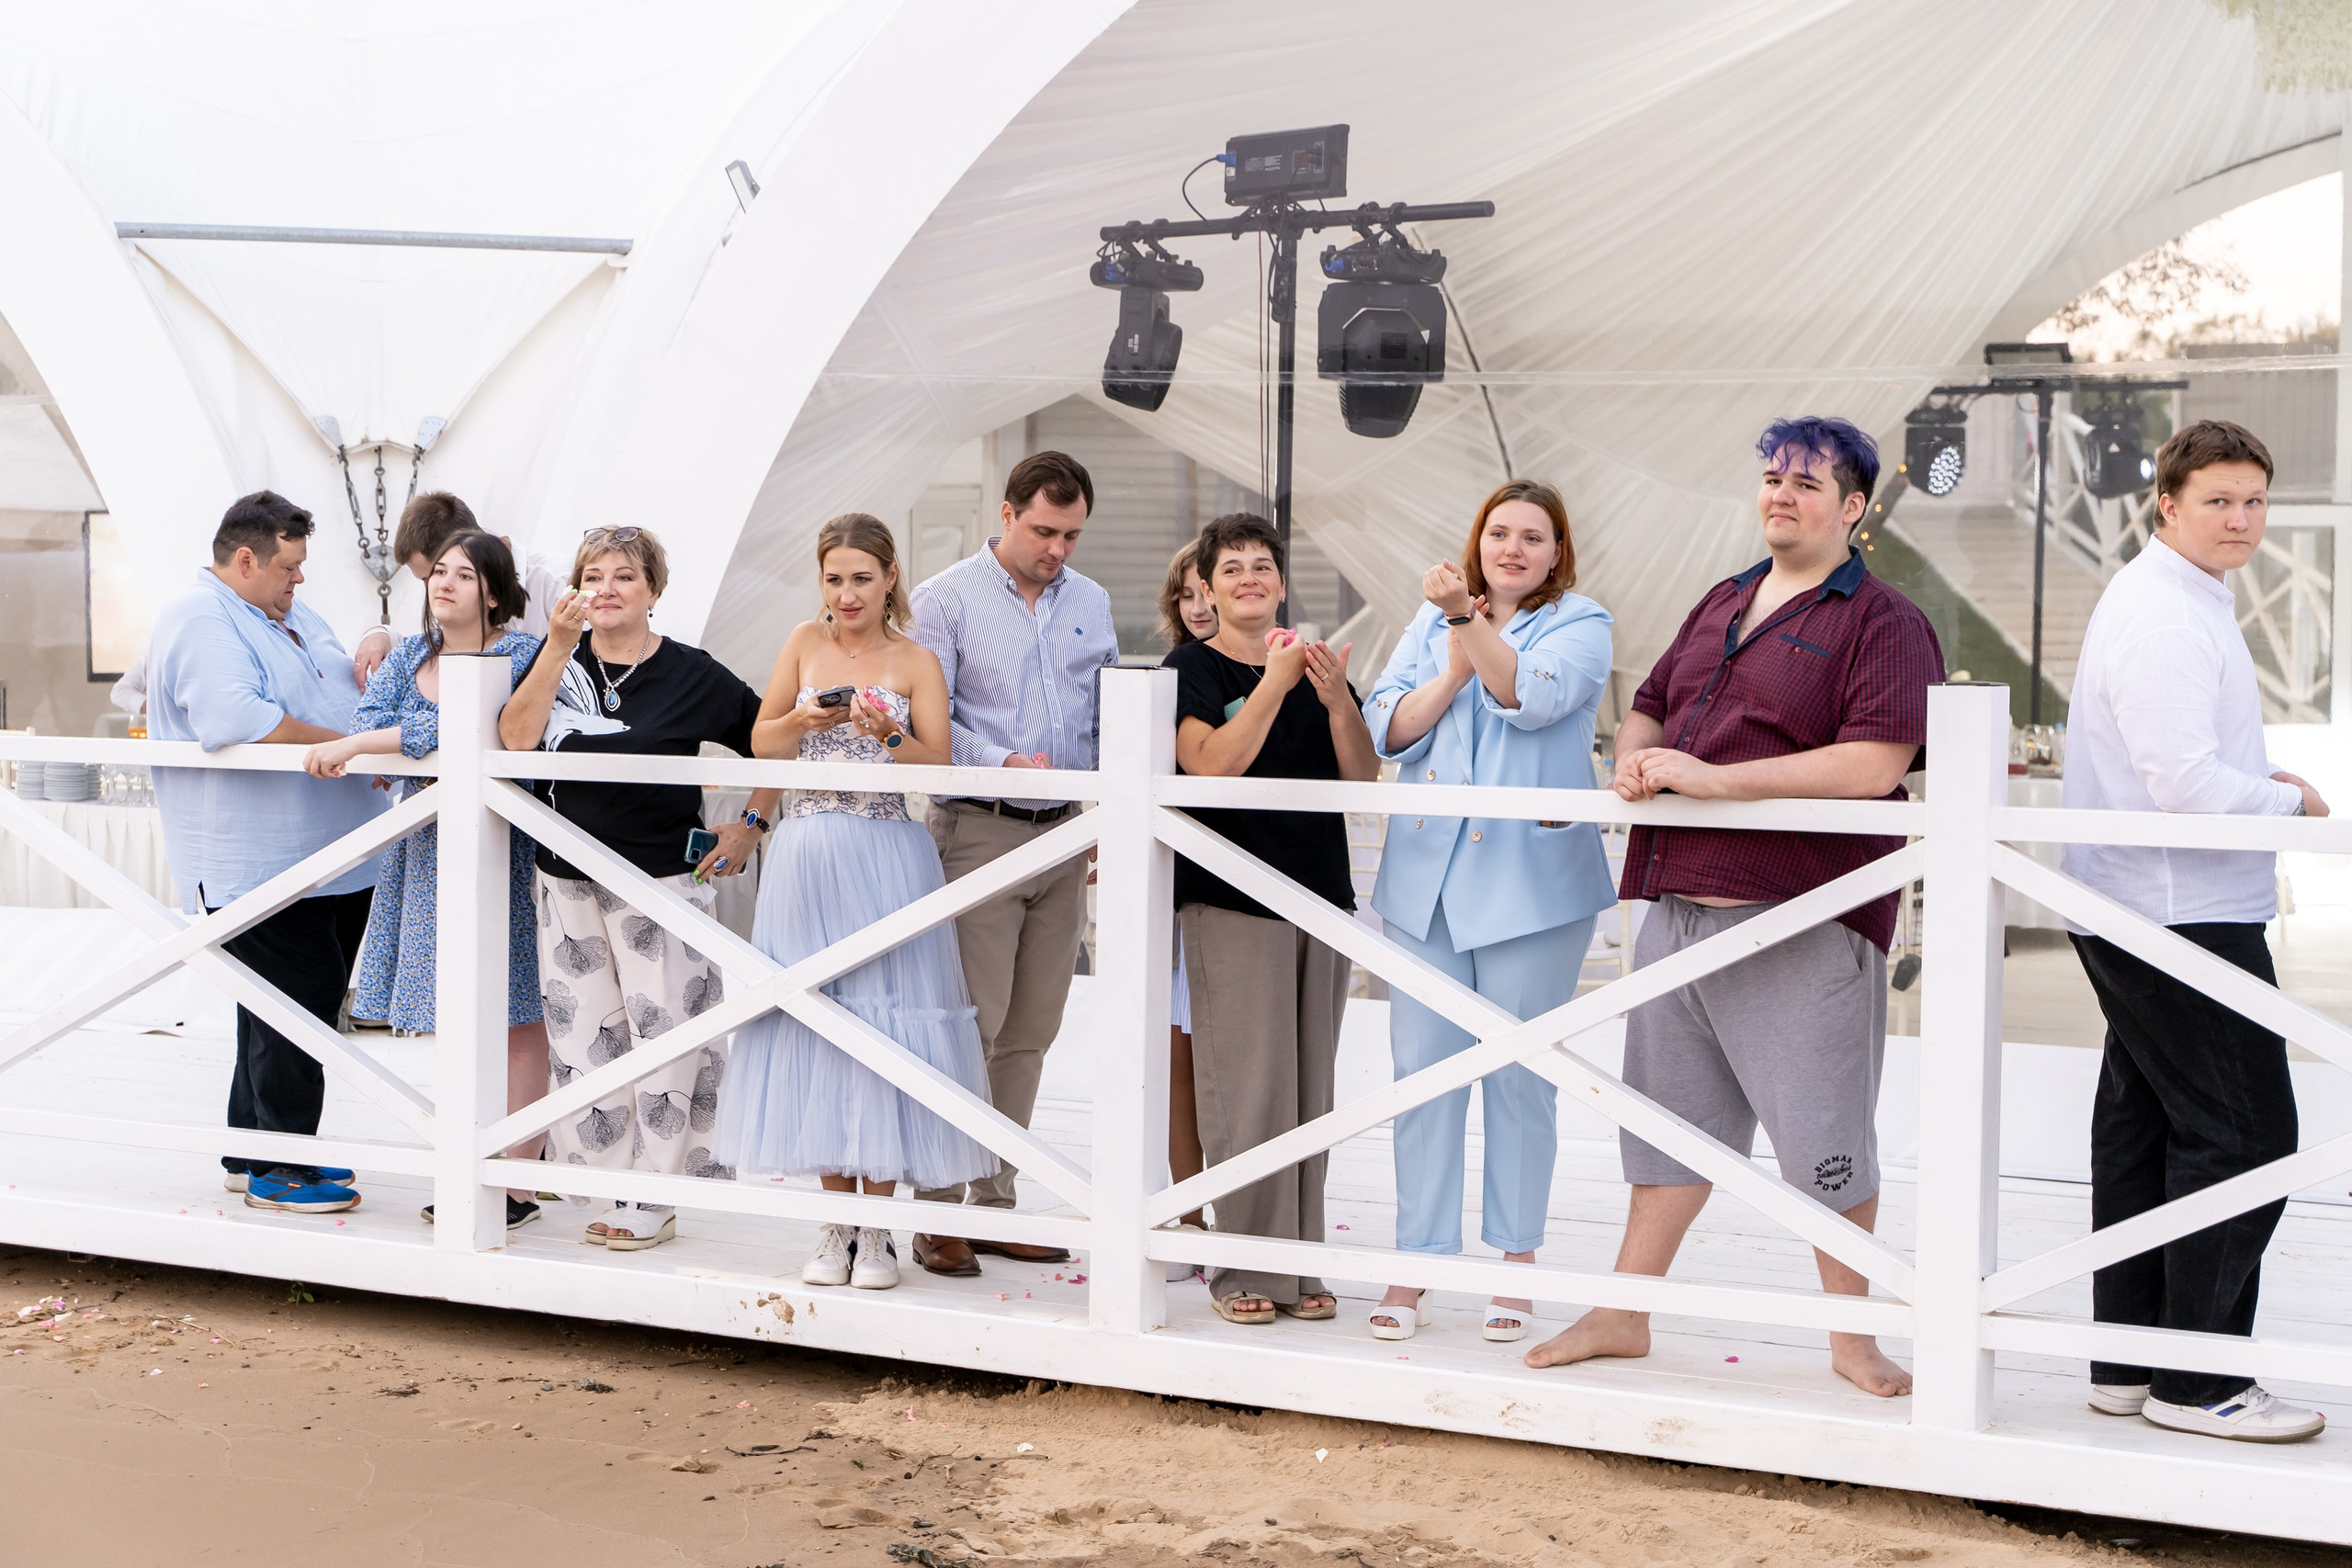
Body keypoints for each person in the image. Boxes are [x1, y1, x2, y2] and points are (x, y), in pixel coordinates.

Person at [1523, 417, 1942, 1397]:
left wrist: (1713, 783)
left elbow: (1874, 763)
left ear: (1853, 507)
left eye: (1806, 482)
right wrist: (1635, 754)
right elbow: (1656, 700)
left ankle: (1851, 1337)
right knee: (1668, 1125)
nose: (1780, 495)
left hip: (1799, 915)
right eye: (1770, 478)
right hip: (1678, 906)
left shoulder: (1886, 622)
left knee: (1823, 1135)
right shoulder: (1724, 597)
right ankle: (1623, 1313)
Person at [2061, 420, 2327, 1443]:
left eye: (2255, 500)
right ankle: (2199, 1383)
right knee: (2249, 1136)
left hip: (2144, 904)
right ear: (2166, 503)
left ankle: (2130, 1364)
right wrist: (2292, 808)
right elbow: (2181, 782)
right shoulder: (2166, 616)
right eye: (2218, 499)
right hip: (2179, 910)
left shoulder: (2169, 596)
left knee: (2146, 1135)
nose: (2241, 519)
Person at [714, 513, 998, 1291]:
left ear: (890, 578)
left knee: (885, 1022)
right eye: (834, 578)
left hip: (885, 853)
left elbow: (939, 770)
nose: (846, 593)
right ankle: (834, 1224)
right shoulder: (802, 645)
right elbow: (761, 744)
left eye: (861, 578)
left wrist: (887, 736)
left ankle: (879, 1229)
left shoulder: (917, 660)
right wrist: (801, 721)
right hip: (804, 854)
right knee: (815, 1024)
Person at [1362, 479, 1616, 1343]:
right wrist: (1453, 663)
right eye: (1499, 532)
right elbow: (1386, 725)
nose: (1513, 548)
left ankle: (1516, 1260)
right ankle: (1418, 1262)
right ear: (1478, 541)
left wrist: (1466, 635)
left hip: (1531, 888)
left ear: (1556, 553)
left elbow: (1530, 698)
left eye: (1532, 537)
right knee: (1422, 1078)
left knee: (1519, 1078)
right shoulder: (1428, 622)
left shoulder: (1584, 622)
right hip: (1424, 886)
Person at [498, 525, 782, 1250]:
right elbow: (517, 739)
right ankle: (613, 1186)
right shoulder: (555, 660)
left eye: (624, 575)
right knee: (586, 1037)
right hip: (565, 879)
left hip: (661, 881)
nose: (607, 589)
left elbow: (771, 741)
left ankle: (659, 1192)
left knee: (670, 1037)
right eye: (593, 575)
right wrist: (557, 645)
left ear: (653, 590)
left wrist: (749, 824)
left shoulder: (693, 672)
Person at [905, 451, 1119, 1277]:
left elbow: (1100, 715)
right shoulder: (945, 597)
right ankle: (935, 1208)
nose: (1056, 548)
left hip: (1066, 834)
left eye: (1070, 534)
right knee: (969, 1020)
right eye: (1042, 530)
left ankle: (993, 1203)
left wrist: (1103, 805)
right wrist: (1001, 763)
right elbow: (931, 722)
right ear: (1006, 513)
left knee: (1031, 1027)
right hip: (978, 826)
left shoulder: (1092, 601)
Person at [1164, 511, 1379, 1325]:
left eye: (1263, 565)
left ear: (1283, 583)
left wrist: (1332, 701)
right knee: (1248, 1089)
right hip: (1230, 898)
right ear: (1210, 590)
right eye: (1233, 569)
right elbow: (1210, 765)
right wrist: (1274, 685)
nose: (1250, 577)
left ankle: (1299, 1260)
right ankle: (1241, 1267)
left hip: (1320, 893)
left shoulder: (1314, 664)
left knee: (1306, 1093)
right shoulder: (1190, 665)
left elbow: (1361, 778)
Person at [302, 532, 551, 1232]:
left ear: (494, 591)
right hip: (423, 844)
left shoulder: (520, 654)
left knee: (518, 1005)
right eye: (438, 571)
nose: (444, 583)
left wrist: (367, 743)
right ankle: (465, 1161)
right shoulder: (411, 654)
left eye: (464, 575)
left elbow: (479, 727)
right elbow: (378, 720)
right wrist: (376, 737)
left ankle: (518, 1177)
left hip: (508, 841)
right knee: (453, 1003)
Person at [146, 491, 386, 1214]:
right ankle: (282, 1167)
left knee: (276, 1007)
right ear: (245, 559)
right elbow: (236, 718)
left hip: (335, 853)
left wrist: (377, 647)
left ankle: (249, 1149)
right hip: (263, 859)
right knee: (298, 1004)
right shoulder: (198, 616)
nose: (301, 579)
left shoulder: (286, 612)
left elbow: (341, 678)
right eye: (290, 566)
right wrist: (349, 746)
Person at [1156, 540, 1220, 1269]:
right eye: (1188, 595)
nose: (1200, 606)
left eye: (1210, 590)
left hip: (1245, 883)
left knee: (1227, 1057)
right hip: (1178, 881)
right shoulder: (1172, 677)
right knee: (1179, 1055)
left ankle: (1238, 1208)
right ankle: (1186, 1209)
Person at [353, 491, 567, 685]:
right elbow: (435, 644)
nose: (437, 587)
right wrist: (381, 633)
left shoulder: (557, 582)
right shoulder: (448, 592)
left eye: (462, 575)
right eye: (433, 576)